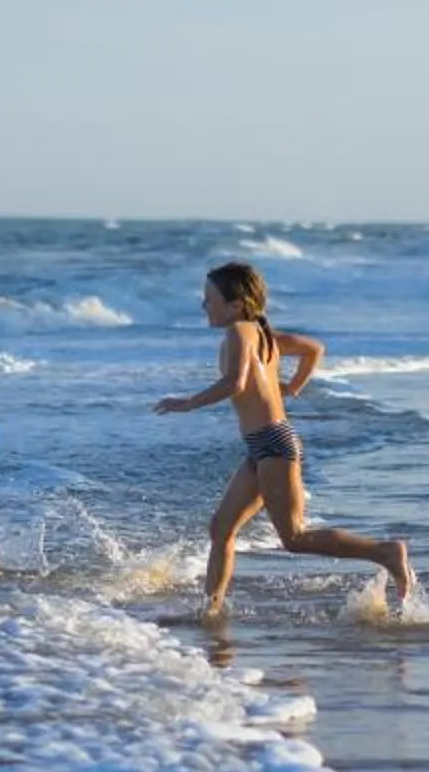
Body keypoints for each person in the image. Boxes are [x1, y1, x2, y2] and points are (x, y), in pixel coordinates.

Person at [154, 261, 413, 619]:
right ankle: (210, 610)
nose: (203, 306)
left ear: (237, 304)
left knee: (294, 538)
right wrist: (292, 387)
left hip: (274, 445)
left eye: (209, 299)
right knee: (221, 529)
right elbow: (313, 349)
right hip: (264, 445)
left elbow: (236, 383)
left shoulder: (240, 331)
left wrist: (188, 403)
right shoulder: (263, 335)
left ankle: (385, 552)